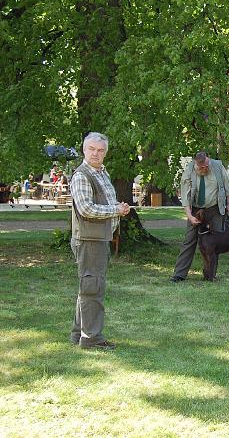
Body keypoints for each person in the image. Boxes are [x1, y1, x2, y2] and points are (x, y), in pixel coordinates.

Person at [69, 132, 130, 350]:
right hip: (89, 240)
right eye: (92, 149)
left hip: (98, 238)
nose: (96, 153)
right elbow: (86, 209)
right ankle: (92, 338)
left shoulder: (102, 173)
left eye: (101, 150)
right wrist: (116, 209)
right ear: (84, 149)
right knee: (92, 288)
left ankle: (79, 334)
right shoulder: (82, 175)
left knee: (88, 287)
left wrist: (116, 209)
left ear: (105, 152)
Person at [171, 151, 229, 282]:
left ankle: (210, 275)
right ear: (196, 164)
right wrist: (189, 216)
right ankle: (179, 275)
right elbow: (185, 196)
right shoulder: (189, 171)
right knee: (189, 241)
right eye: (202, 167)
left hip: (215, 208)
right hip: (196, 210)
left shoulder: (217, 166)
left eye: (206, 165)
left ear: (208, 159)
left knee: (215, 242)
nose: (205, 168)